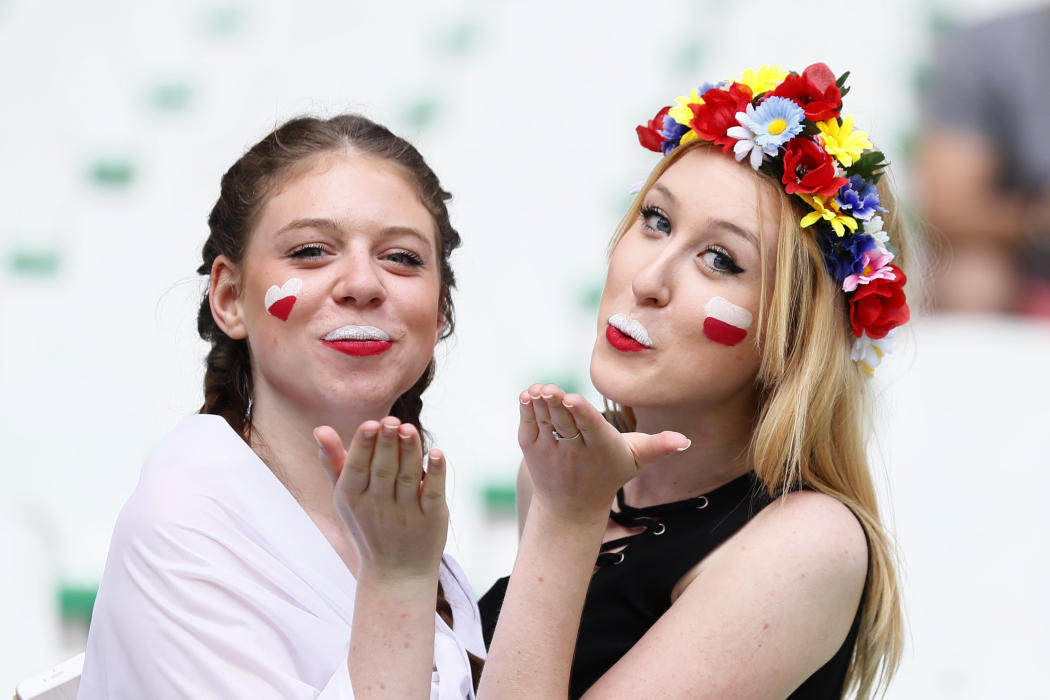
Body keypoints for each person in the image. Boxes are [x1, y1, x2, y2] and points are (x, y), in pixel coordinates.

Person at [477, 64, 909, 699]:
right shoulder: (568, 479)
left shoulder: (807, 543)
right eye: (655, 220)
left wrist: (565, 522)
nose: (649, 279)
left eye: (720, 260)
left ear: (794, 339)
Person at [77, 114, 485, 699]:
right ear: (228, 298)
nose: (363, 283)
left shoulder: (404, 527)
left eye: (402, 258)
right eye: (313, 251)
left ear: (440, 310)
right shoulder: (181, 526)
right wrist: (396, 581)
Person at [916, 4, 1050, 316]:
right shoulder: (987, 50)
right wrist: (1036, 221)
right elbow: (949, 208)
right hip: (1024, 255)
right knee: (971, 282)